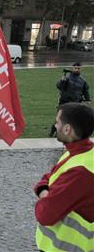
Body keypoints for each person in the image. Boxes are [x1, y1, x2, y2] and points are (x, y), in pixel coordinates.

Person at [34, 103, 94, 252]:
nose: (55, 126)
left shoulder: (80, 172)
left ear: (67, 129)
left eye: (57, 122)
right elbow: (50, 176)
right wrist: (44, 189)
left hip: (64, 247)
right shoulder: (81, 153)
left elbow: (45, 214)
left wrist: (43, 193)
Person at [49, 62, 91, 137]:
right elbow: (59, 86)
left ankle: (62, 133)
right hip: (64, 101)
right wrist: (62, 81)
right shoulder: (67, 77)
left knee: (71, 120)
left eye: (78, 68)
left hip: (75, 102)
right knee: (61, 118)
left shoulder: (82, 80)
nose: (77, 70)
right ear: (72, 68)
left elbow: (86, 91)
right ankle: (53, 130)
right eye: (75, 68)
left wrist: (88, 100)